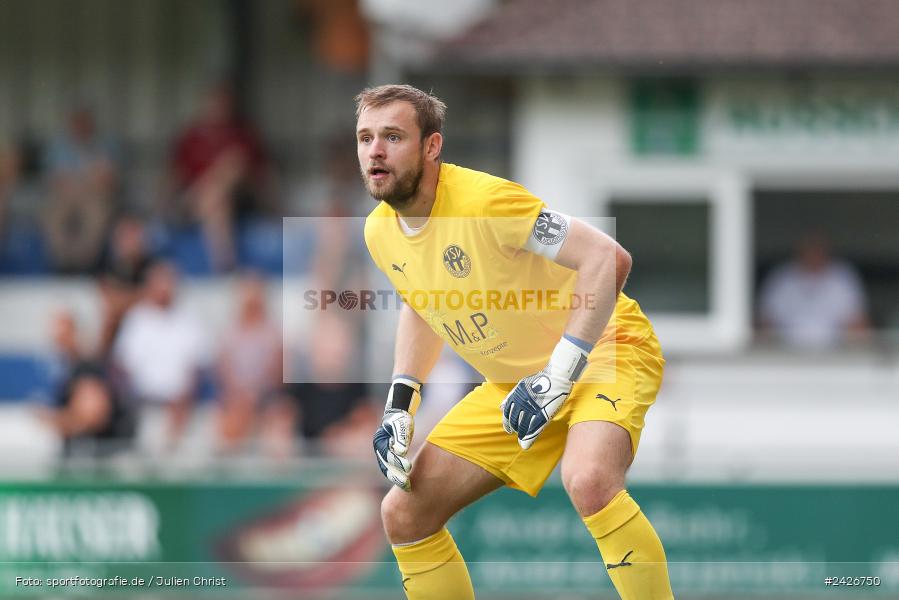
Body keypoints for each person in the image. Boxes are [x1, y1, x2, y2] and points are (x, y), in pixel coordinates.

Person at [356, 85, 673, 599]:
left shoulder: (487, 201)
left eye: (392, 137)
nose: (375, 151)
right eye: (366, 138)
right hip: (515, 383)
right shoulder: (378, 231)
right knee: (404, 514)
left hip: (605, 351)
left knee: (589, 479)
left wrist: (559, 374)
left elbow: (607, 258)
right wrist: (399, 406)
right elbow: (421, 302)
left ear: (431, 146)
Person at [113, 260, 207, 449]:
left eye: (168, 282)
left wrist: (185, 400)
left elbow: (198, 368)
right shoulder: (136, 319)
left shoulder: (189, 320)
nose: (164, 288)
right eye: (159, 283)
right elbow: (122, 366)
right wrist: (133, 401)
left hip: (182, 406)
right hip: (143, 404)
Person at [37, 310, 134, 458]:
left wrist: (54, 420)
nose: (57, 339)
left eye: (62, 334)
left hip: (100, 457)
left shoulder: (87, 366)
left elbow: (92, 418)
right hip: (81, 456)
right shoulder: (67, 368)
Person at [758, 231, 870, 350]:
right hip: (786, 353)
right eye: (809, 248)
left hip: (834, 353)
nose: (813, 253)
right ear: (800, 251)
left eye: (818, 248)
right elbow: (765, 324)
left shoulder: (842, 277)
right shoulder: (781, 278)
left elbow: (859, 325)